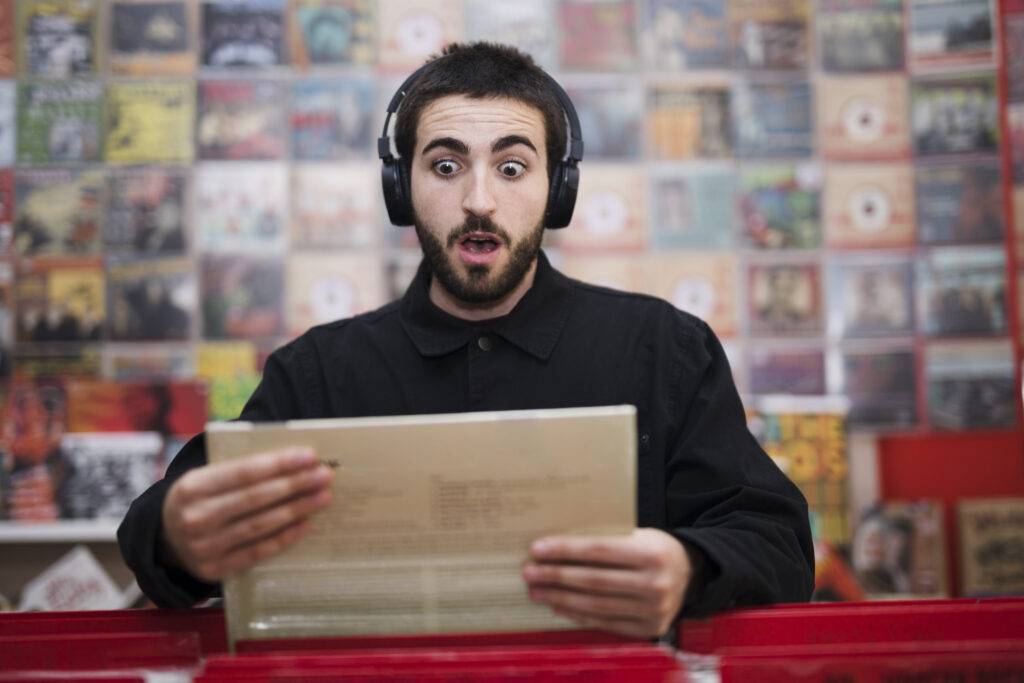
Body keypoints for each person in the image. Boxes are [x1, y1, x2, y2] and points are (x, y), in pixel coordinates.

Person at [119, 42, 813, 638]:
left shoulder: (665, 349)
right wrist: (180, 535)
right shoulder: (317, 374)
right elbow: (162, 527)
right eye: (445, 166)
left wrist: (687, 567)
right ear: (401, 187)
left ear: (557, 189)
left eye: (512, 168)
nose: (479, 200)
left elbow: (777, 543)